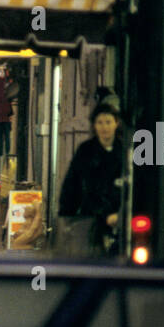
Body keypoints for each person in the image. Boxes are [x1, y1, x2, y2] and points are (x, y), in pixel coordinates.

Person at [58, 103, 124, 257]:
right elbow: (71, 184)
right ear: (94, 125)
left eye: (108, 122)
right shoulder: (86, 150)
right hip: (89, 218)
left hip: (117, 220)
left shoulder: (124, 151)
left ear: (116, 123)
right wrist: (66, 217)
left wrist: (119, 215)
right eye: (100, 122)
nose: (104, 127)